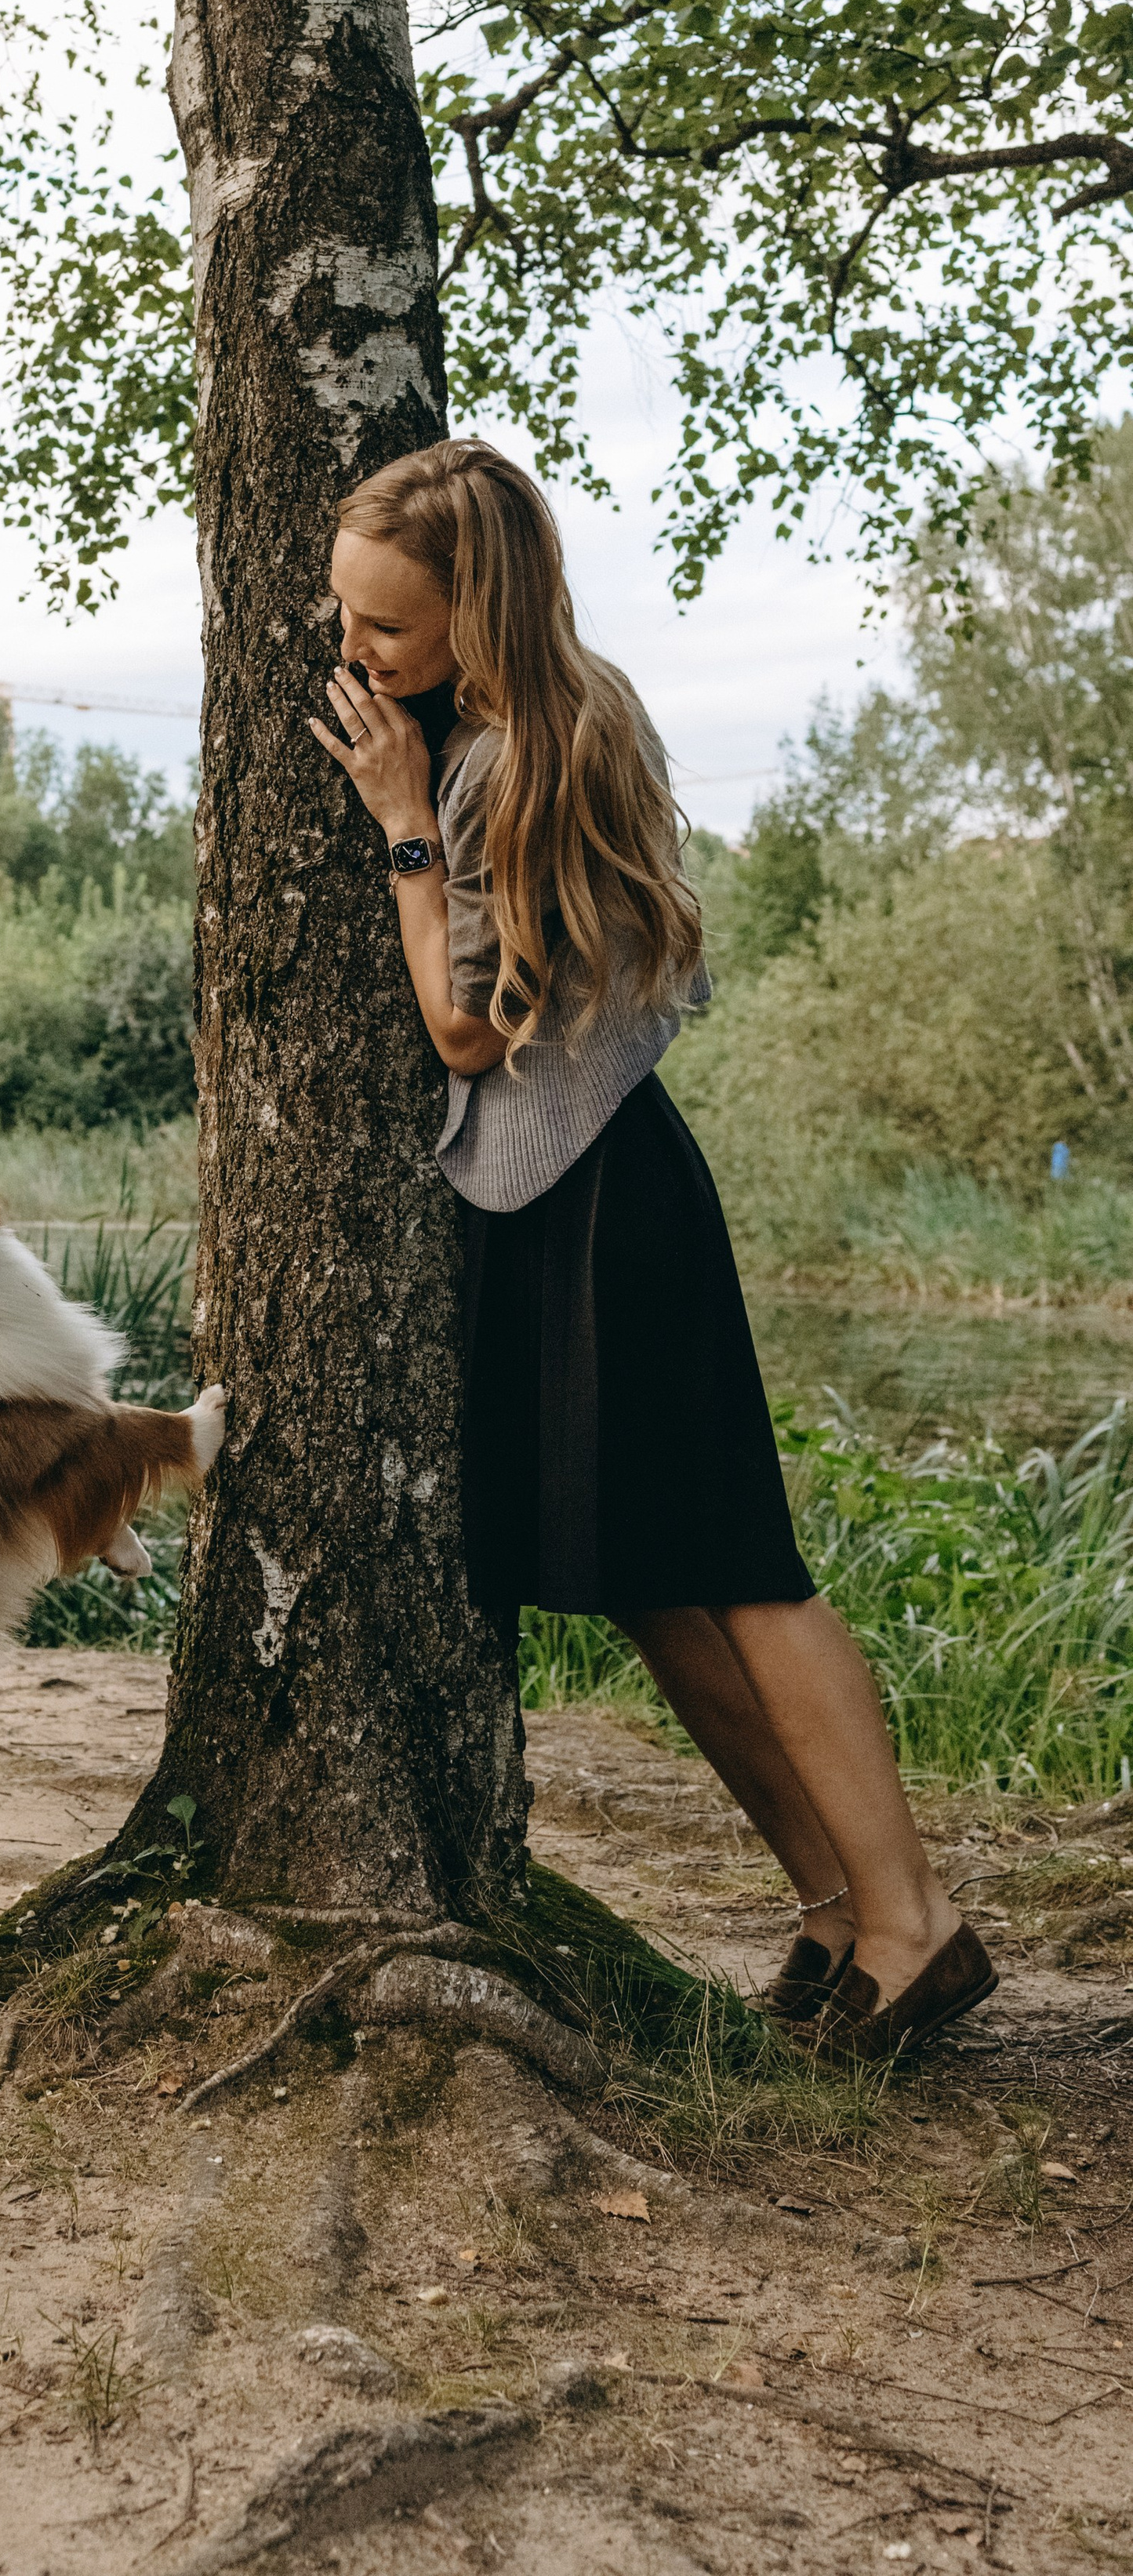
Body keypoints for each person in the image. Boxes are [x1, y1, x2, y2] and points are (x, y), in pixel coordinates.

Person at [307, 435, 992, 2060]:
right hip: (548, 1205)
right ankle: (829, 1910)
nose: (356, 658)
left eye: (386, 631)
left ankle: (914, 1925)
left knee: (741, 1571)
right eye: (345, 621)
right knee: (650, 1593)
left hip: (614, 1200)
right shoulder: (493, 721)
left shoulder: (521, 749)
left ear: (476, 611)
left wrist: (402, 828)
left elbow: (465, 1035)